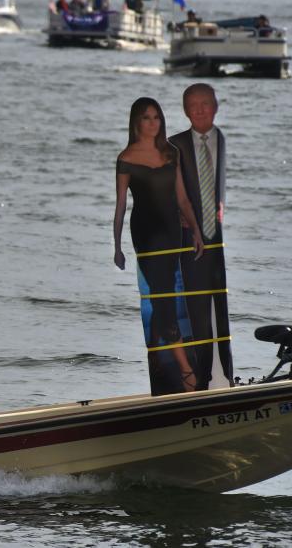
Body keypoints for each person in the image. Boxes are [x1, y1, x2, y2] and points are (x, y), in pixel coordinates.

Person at [113, 98, 204, 396]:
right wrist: (117, 245)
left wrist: (196, 232)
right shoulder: (126, 157)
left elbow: (181, 198)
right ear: (135, 122)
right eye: (145, 118)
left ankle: (161, 363)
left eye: (156, 117)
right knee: (163, 300)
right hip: (146, 234)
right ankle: (186, 372)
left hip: (172, 232)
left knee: (164, 296)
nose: (152, 123)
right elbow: (121, 206)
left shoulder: (170, 153)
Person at [168, 84, 234, 392]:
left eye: (205, 103)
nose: (199, 109)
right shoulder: (175, 145)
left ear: (216, 106)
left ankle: (221, 375)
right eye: (192, 105)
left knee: (217, 310)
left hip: (215, 240)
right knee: (195, 311)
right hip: (188, 241)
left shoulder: (221, 140)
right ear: (185, 110)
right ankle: (200, 377)